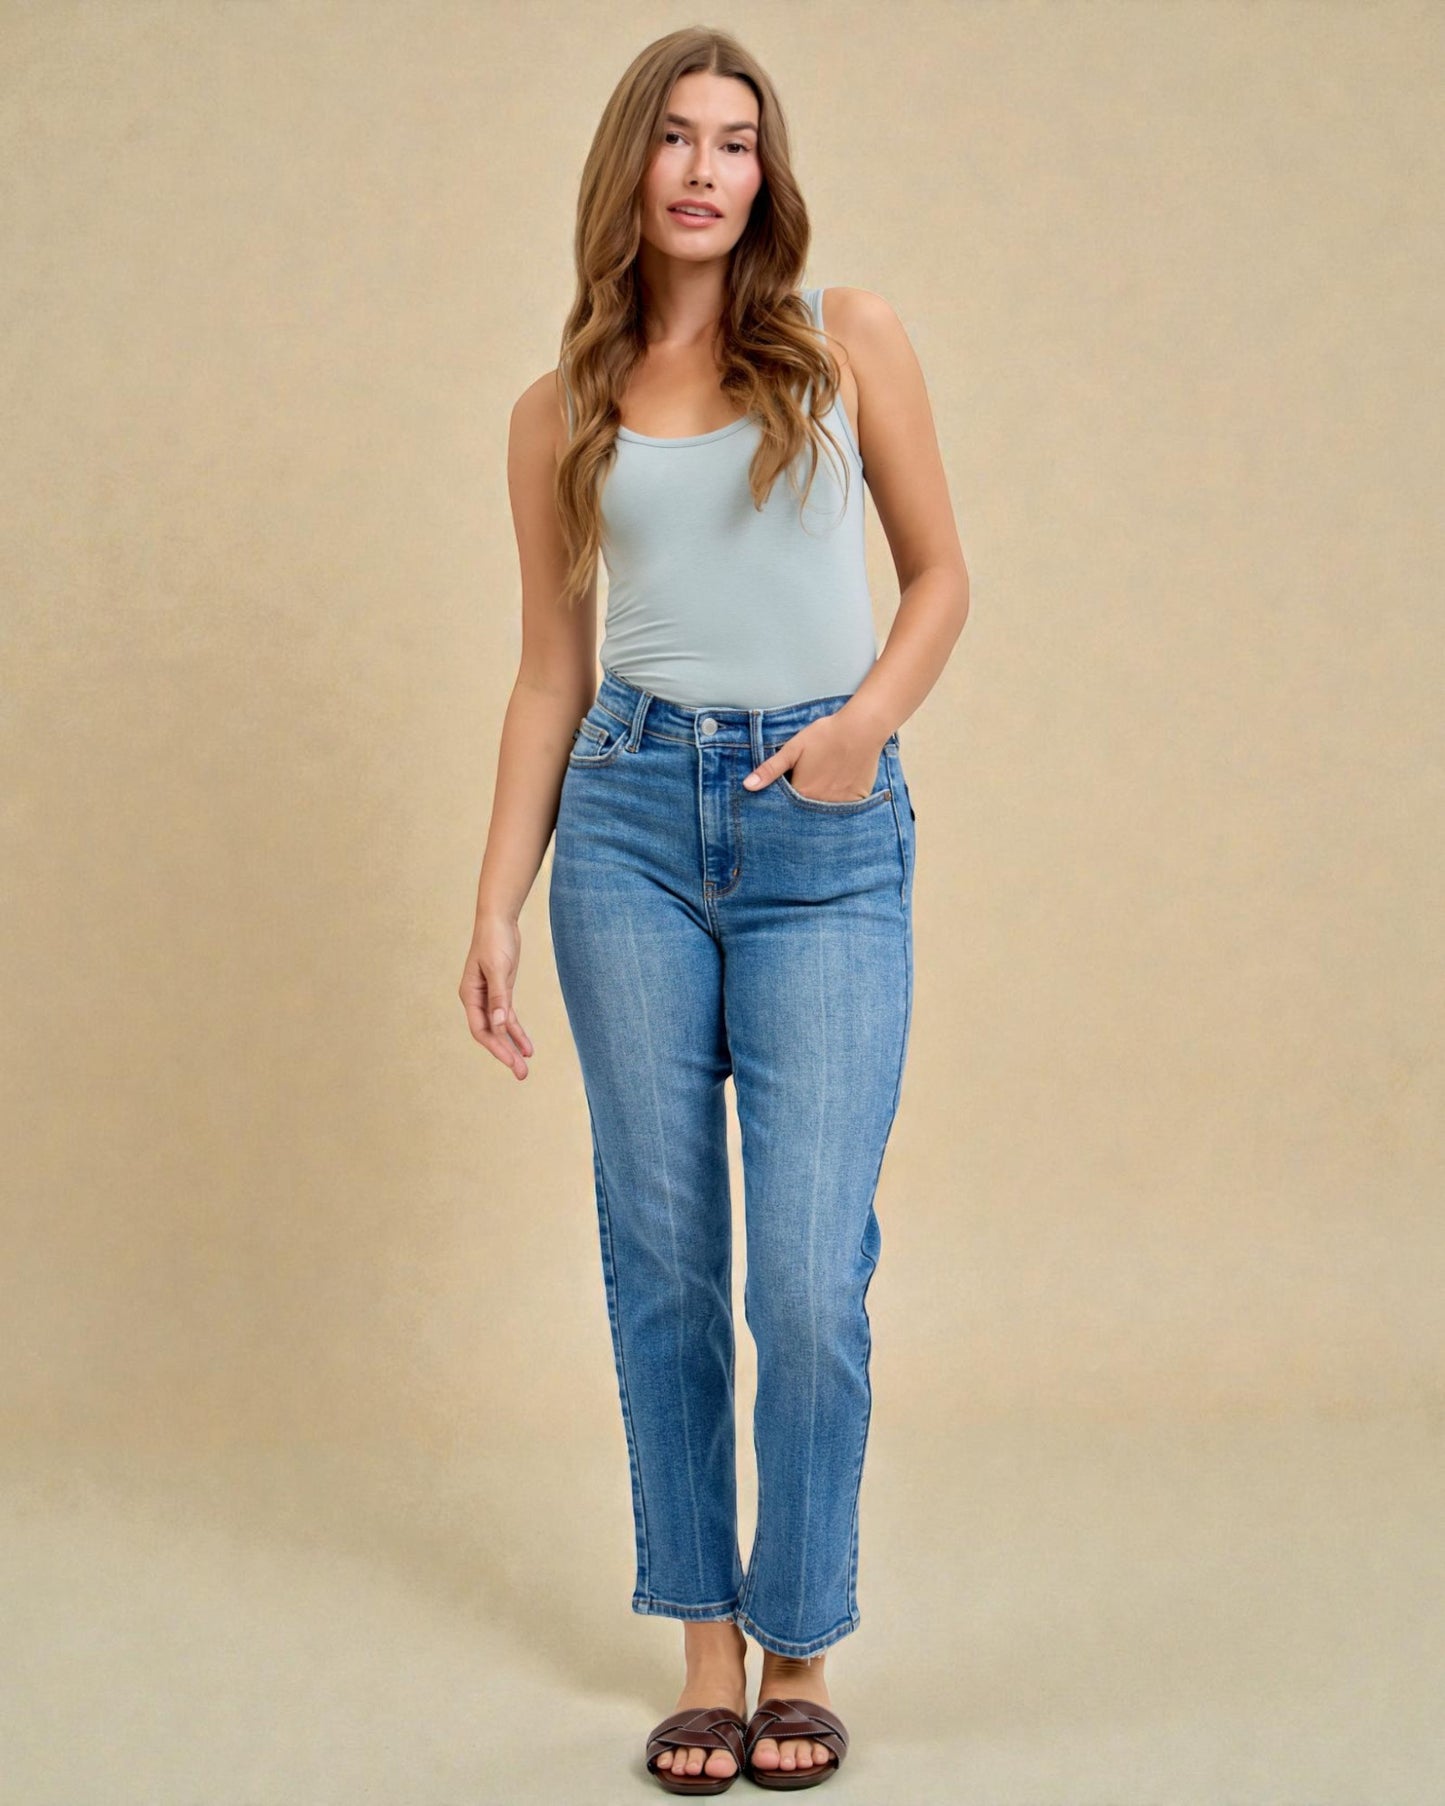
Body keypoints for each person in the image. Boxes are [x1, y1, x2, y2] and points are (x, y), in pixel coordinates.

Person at [460, 25, 969, 1795]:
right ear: (630, 166)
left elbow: (941, 576)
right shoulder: (556, 413)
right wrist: (497, 900)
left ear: (765, 173)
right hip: (623, 830)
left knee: (809, 1281)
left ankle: (800, 1641)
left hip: (822, 835)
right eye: (674, 137)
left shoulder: (846, 341)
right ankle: (702, 1644)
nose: (703, 168)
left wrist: (857, 735)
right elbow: (547, 674)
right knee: (665, 1261)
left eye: (735, 141)